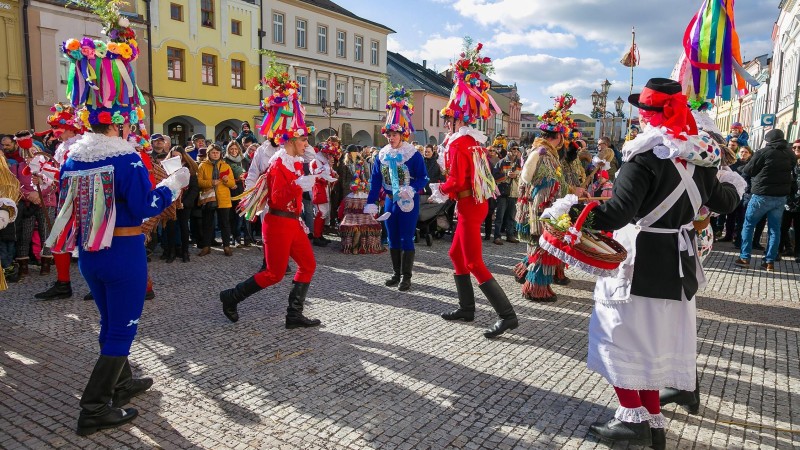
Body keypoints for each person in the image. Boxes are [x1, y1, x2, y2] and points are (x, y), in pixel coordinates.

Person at [577, 78, 740, 448]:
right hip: (678, 264)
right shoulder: (699, 160)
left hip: (639, 262)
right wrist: (732, 181)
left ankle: (632, 421)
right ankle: (653, 423)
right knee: (651, 347)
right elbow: (726, 202)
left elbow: (618, 214)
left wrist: (575, 213)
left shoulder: (643, 159)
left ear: (647, 116)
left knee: (614, 337)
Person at [52, 7, 190, 435]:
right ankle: (94, 408)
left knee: (109, 323)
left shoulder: (71, 158)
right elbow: (148, 204)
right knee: (122, 329)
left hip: (90, 254)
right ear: (120, 119)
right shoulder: (125, 156)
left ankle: (124, 381)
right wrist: (174, 181)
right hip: (125, 251)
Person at [219, 67, 321, 329]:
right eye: (303, 139)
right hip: (277, 221)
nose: (306, 143)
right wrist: (299, 185)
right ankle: (231, 296)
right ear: (290, 140)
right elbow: (276, 198)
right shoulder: (277, 163)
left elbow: (306, 175)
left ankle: (293, 314)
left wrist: (311, 177)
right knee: (274, 273)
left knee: (308, 264)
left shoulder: (294, 159)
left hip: (293, 221)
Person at [437, 40, 518, 339]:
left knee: (473, 261)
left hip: (470, 205)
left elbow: (457, 182)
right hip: (473, 203)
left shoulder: (459, 143)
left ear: (457, 117)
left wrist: (439, 188)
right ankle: (466, 308)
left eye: (448, 117)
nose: (446, 122)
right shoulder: (473, 141)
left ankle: (507, 315)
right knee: (457, 256)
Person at [514, 95, 578, 301]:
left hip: (542, 208)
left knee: (539, 246)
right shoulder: (542, 153)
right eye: (563, 137)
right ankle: (535, 289)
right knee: (543, 248)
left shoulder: (545, 152)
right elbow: (545, 182)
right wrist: (572, 191)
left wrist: (571, 190)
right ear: (558, 136)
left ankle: (525, 273)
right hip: (541, 210)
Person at [364, 86, 428, 291]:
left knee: (406, 237)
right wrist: (371, 203)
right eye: (388, 134)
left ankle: (406, 277)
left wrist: (413, 189)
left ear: (402, 135)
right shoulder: (381, 155)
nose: (391, 138)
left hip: (408, 200)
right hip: (391, 200)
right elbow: (375, 181)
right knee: (391, 237)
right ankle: (396, 273)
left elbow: (423, 177)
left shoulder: (413, 154)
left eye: (394, 134)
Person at [34, 103, 86, 300]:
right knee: (59, 240)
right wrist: (42, 176)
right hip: (66, 200)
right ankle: (63, 284)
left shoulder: (79, 146)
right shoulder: (62, 147)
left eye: (59, 128)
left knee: (90, 243)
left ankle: (98, 283)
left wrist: (46, 170)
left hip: (85, 199)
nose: (55, 132)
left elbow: (71, 174)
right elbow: (60, 179)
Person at [734, 129, 795, 271]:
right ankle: (769, 262)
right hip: (780, 197)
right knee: (775, 230)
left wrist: (740, 168)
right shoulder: (789, 153)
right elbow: (792, 169)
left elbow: (749, 170)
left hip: (761, 195)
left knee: (748, 225)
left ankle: (744, 258)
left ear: (768, 139)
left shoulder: (763, 152)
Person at [197, 144, 236, 257]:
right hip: (209, 198)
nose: (215, 154)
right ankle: (206, 246)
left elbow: (232, 183)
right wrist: (211, 183)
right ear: (208, 153)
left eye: (217, 152)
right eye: (213, 152)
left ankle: (226, 246)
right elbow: (199, 182)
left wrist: (226, 180)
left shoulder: (225, 166)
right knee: (207, 223)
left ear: (220, 154)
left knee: (225, 223)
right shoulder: (202, 166)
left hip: (223, 198)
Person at [163, 146, 199, 263]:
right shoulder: (167, 169)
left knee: (184, 227)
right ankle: (171, 251)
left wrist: (186, 203)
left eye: (178, 156)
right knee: (171, 227)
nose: (175, 158)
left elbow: (194, 189)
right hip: (171, 203)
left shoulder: (190, 168)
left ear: (183, 156)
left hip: (184, 203)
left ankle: (185, 251)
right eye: (173, 156)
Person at [310, 141, 339, 247]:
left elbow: (329, 173)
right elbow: (316, 174)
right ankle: (316, 236)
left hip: (325, 188)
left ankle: (320, 234)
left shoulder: (324, 161)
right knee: (320, 213)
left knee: (325, 213)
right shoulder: (315, 161)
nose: (330, 156)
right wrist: (328, 169)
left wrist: (333, 174)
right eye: (329, 153)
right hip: (319, 188)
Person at [492, 143, 521, 244]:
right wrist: (506, 175)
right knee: (499, 216)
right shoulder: (501, 162)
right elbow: (494, 177)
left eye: (517, 149)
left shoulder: (518, 163)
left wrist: (516, 177)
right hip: (503, 193)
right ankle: (497, 236)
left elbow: (521, 177)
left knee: (511, 216)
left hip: (513, 193)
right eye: (513, 148)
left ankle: (510, 235)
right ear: (508, 150)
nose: (516, 150)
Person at [780, 141, 800, 262]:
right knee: (782, 227)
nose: (796, 149)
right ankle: (780, 250)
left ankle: (798, 252)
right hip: (786, 200)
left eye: (799, 147)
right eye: (794, 147)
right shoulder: (787, 163)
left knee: (798, 229)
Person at [224, 141, 246, 246]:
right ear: (228, 150)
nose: (234, 151)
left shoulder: (242, 160)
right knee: (230, 215)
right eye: (231, 149)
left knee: (239, 215)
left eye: (236, 149)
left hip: (241, 189)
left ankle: (237, 236)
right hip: (230, 189)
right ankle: (232, 237)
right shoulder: (225, 161)